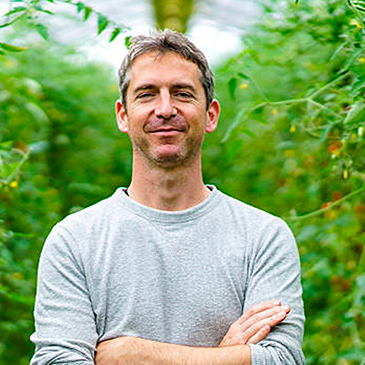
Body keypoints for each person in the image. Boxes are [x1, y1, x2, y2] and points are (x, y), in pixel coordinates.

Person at [30, 29, 305, 365]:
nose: (164, 109)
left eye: (182, 94)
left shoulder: (264, 237)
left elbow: (283, 360)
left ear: (211, 115)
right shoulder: (74, 241)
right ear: (122, 115)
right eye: (146, 94)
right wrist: (224, 356)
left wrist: (130, 353)